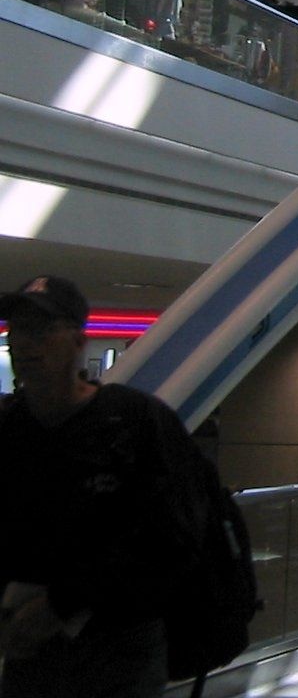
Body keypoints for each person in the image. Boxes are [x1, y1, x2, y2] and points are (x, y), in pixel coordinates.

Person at [0, 274, 205, 698]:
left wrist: (61, 604)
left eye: (42, 330)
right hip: (27, 653)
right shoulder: (10, 429)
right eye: (17, 330)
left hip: (119, 654)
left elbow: (173, 538)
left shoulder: (134, 423)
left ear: (78, 343)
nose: (24, 343)